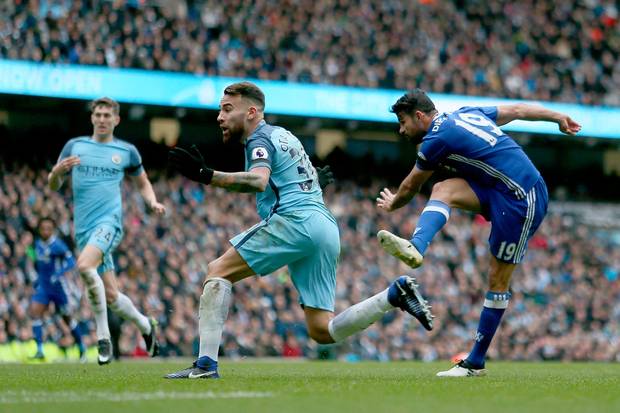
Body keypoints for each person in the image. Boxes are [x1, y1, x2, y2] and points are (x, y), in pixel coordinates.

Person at [165, 81, 433, 379]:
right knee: (322, 331)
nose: (220, 117)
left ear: (251, 112)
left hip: (294, 221)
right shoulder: (284, 135)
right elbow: (297, 179)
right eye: (220, 110)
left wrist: (206, 175)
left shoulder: (260, 139)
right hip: (324, 226)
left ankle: (205, 365)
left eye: (228, 109)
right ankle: (393, 295)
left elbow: (258, 181)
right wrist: (314, 182)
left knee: (217, 271)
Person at [375, 89, 581, 377]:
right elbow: (519, 109)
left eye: (403, 122)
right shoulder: (465, 112)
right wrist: (557, 116)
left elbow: (410, 186)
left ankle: (475, 362)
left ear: (419, 116)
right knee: (443, 189)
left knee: (497, 280)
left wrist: (392, 203)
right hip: (497, 188)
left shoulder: (435, 140)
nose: (401, 129)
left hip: (522, 198)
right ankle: (417, 247)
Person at [48, 97, 166, 365]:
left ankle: (103, 339)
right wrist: (57, 171)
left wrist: (152, 201)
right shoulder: (74, 146)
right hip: (84, 230)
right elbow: (53, 184)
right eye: (98, 114)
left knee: (84, 266)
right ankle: (146, 325)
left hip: (109, 224)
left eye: (107, 115)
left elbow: (143, 183)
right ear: (92, 118)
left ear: (116, 120)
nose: (102, 119)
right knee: (111, 296)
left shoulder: (126, 151)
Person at [29, 217, 86, 362]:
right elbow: (36, 261)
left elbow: (71, 261)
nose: (46, 231)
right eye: (43, 228)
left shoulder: (58, 245)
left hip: (58, 288)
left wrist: (59, 274)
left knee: (67, 318)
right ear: (40, 229)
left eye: (48, 228)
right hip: (43, 286)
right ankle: (40, 350)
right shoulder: (37, 244)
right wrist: (36, 277)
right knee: (35, 312)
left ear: (52, 229)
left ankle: (81, 347)